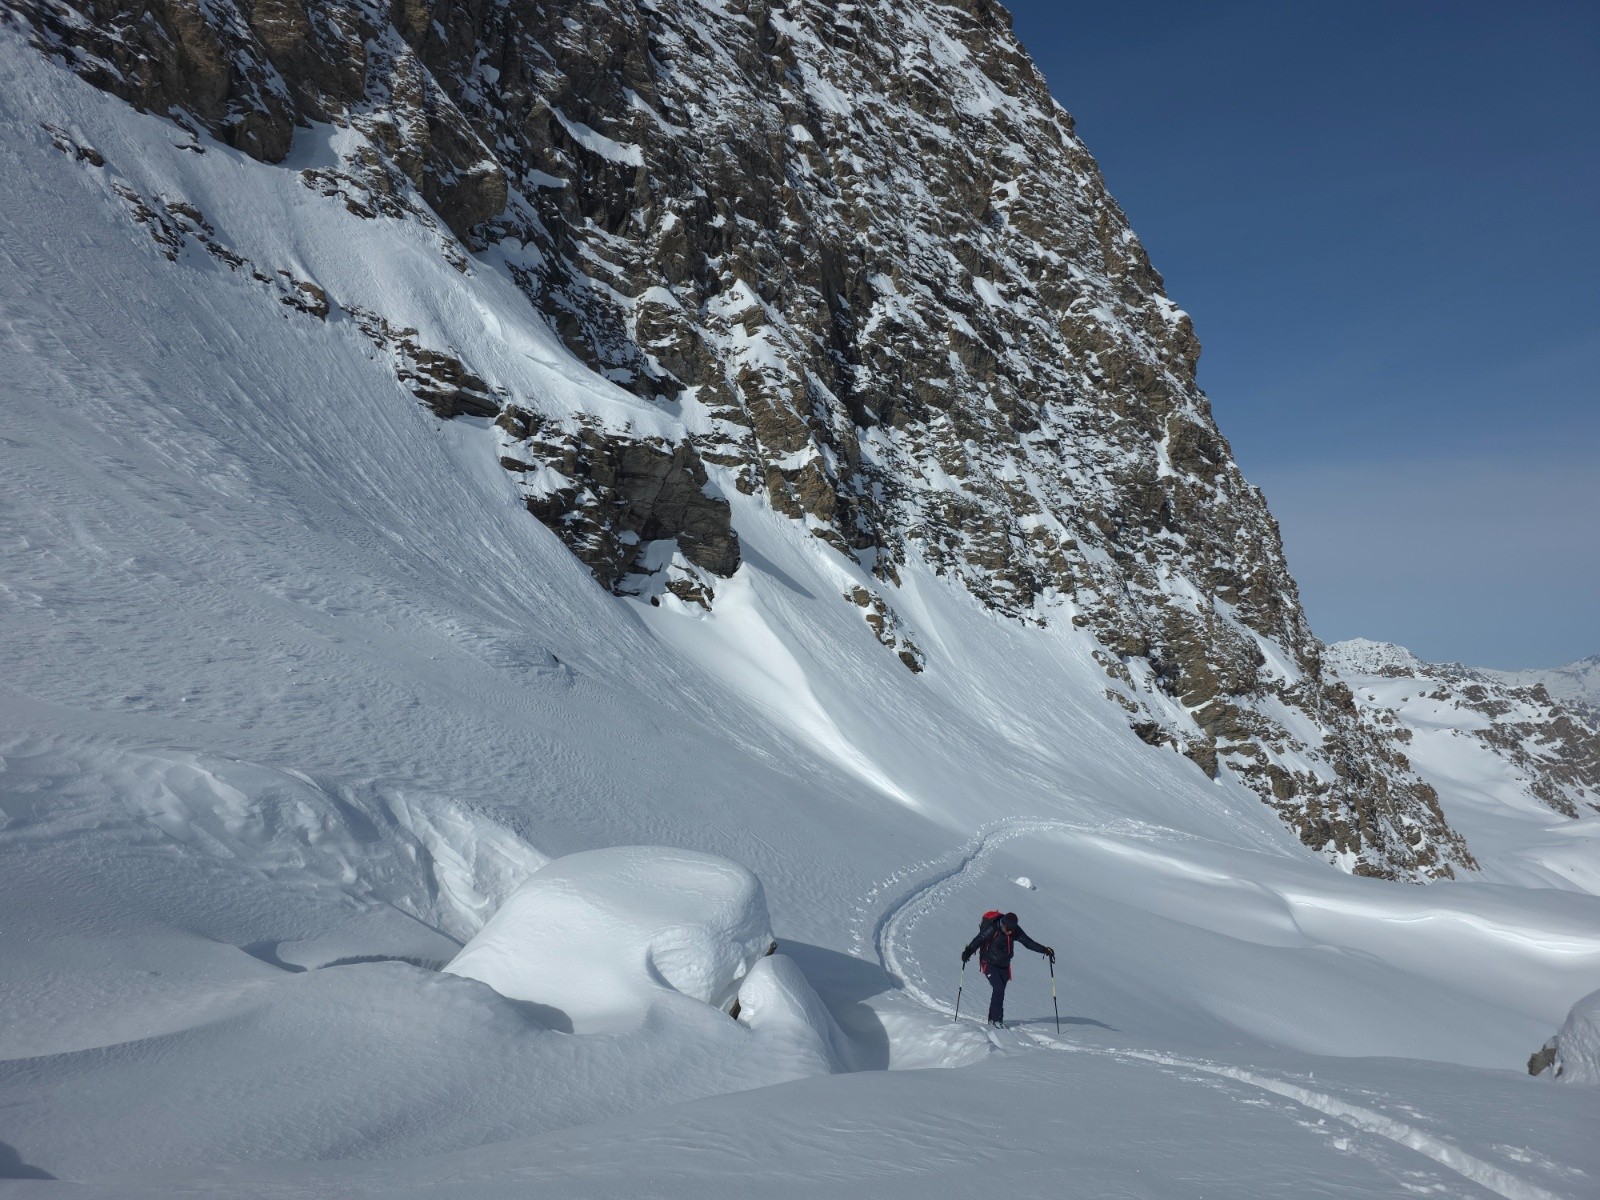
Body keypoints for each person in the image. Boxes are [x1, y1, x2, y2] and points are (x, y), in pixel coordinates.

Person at [962, 910, 1053, 1028]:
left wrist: (1045, 950)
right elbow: (979, 940)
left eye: (1012, 930)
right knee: (998, 989)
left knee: (999, 992)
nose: (1010, 932)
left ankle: (991, 1020)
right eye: (1008, 929)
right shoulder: (993, 928)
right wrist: (968, 952)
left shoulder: (1014, 930)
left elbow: (1028, 943)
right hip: (989, 963)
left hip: (1004, 966)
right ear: (1003, 925)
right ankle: (997, 1020)